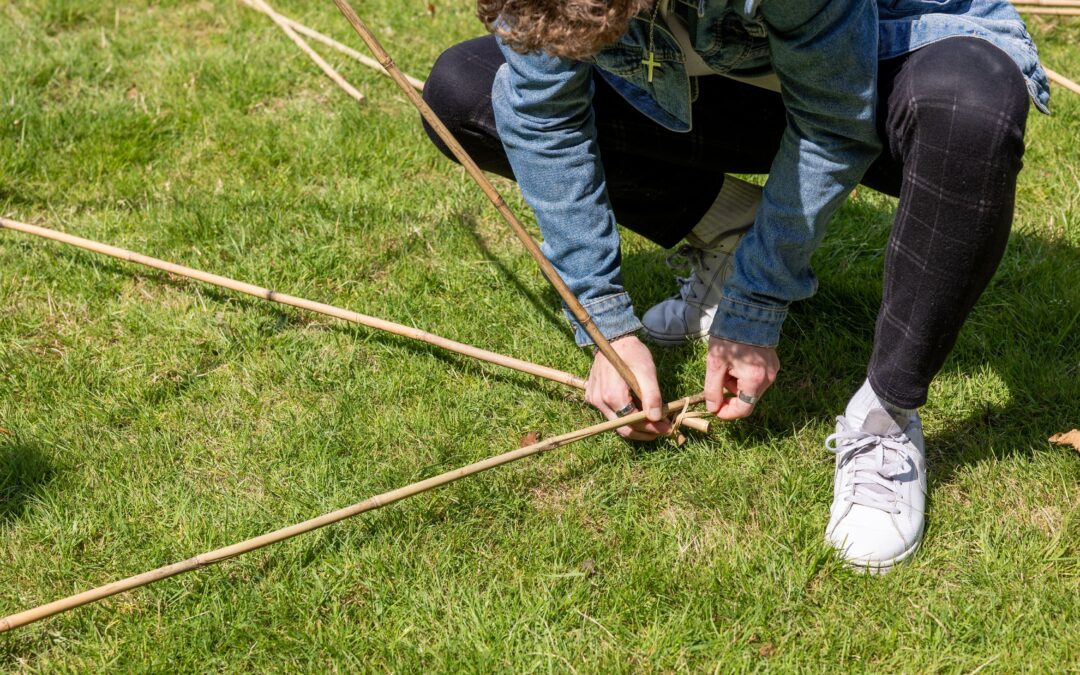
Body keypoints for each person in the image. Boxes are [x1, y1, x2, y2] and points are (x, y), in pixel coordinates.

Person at [420, 0, 1050, 572]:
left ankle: (885, 417)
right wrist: (603, 324)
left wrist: (755, 305)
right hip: (734, 77)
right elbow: (545, 120)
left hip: (885, 54)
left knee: (970, 110)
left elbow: (833, 120)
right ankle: (733, 234)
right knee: (465, 91)